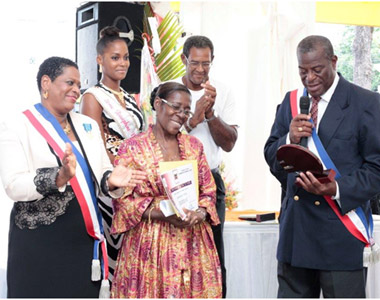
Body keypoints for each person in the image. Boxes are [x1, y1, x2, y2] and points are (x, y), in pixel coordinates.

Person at [0, 56, 146, 298]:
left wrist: (111, 181)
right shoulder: (17, 125)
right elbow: (13, 185)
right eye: (69, 83)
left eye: (79, 85)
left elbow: (100, 176)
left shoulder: (87, 125)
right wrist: (58, 177)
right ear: (46, 83)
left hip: (81, 242)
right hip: (38, 243)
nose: (76, 90)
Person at [264, 35, 380, 298]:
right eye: (302, 72)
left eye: (317, 70)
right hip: (296, 233)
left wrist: (335, 187)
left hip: (339, 234)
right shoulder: (291, 102)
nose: (309, 78)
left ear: (334, 61)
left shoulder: (366, 103)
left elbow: (377, 170)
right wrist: (288, 139)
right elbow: (272, 156)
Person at [110, 82, 222, 298]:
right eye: (176, 107)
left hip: (192, 242)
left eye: (186, 110)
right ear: (158, 104)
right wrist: (160, 214)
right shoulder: (132, 148)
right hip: (149, 244)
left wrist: (199, 214)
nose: (181, 115)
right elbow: (122, 199)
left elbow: (208, 191)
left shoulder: (194, 146)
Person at [171, 35, 238, 297]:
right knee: (176, 252)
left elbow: (230, 143)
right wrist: (192, 119)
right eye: (195, 63)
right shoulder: (168, 89)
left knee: (213, 252)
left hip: (209, 181)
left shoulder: (222, 91)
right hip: (174, 180)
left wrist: (210, 114)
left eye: (206, 64)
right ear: (183, 59)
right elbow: (157, 139)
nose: (200, 69)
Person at [80, 25, 144, 280]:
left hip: (136, 184)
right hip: (112, 188)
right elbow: (95, 146)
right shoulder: (92, 97)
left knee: (135, 261)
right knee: (116, 261)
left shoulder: (129, 97)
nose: (123, 63)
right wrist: (119, 180)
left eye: (126, 57)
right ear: (100, 60)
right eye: (115, 57)